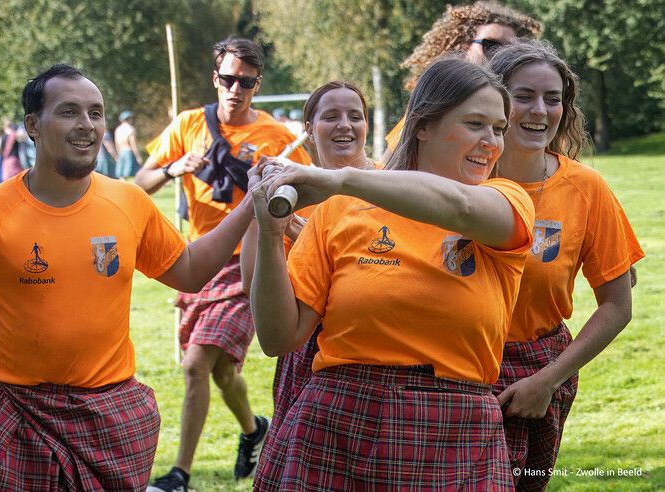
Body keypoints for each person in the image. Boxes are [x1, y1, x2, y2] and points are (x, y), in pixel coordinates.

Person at [0, 63, 256, 491]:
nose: (87, 125)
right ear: (33, 125)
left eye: (96, 113)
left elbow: (190, 272)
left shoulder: (129, 201)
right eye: (69, 112)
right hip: (13, 413)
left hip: (109, 417)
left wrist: (250, 205)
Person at [249, 56, 535, 490]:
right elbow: (277, 337)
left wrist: (343, 179)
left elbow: (457, 205)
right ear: (423, 125)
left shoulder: (506, 200)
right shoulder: (339, 211)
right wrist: (271, 238)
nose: (491, 143)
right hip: (340, 420)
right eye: (476, 124)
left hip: (455, 427)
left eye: (498, 128)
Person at [136, 37, 310, 492]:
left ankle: (180, 475)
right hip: (197, 261)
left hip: (246, 264)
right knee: (220, 370)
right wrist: (174, 170)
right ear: (216, 78)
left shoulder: (277, 137)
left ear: (257, 84)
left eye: (246, 82)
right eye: (228, 79)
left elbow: (311, 189)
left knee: (196, 364)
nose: (236, 89)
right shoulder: (189, 124)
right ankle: (254, 428)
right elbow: (140, 183)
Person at [487, 40, 644, 490]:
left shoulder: (585, 187)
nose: (540, 110)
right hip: (450, 371)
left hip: (536, 373)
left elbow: (617, 305)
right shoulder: (461, 176)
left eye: (552, 99)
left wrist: (548, 381)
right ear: (493, 100)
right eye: (523, 96)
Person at [240, 81, 377, 436]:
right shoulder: (289, 193)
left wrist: (312, 243)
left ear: (367, 125)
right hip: (304, 347)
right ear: (309, 130)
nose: (344, 125)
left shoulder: (390, 186)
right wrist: (260, 215)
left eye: (355, 116)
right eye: (331, 116)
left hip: (372, 344)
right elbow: (251, 281)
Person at [382, 1, 540, 161]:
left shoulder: (527, 112)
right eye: (491, 45)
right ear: (464, 45)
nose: (499, 55)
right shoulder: (434, 102)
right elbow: (388, 167)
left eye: (499, 128)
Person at [115, 110, 143, 179]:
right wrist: (138, 156)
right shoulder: (130, 129)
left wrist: (117, 154)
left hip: (121, 152)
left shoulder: (118, 129)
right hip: (128, 151)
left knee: (121, 173)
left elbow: (116, 143)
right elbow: (133, 144)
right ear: (128, 119)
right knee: (128, 173)